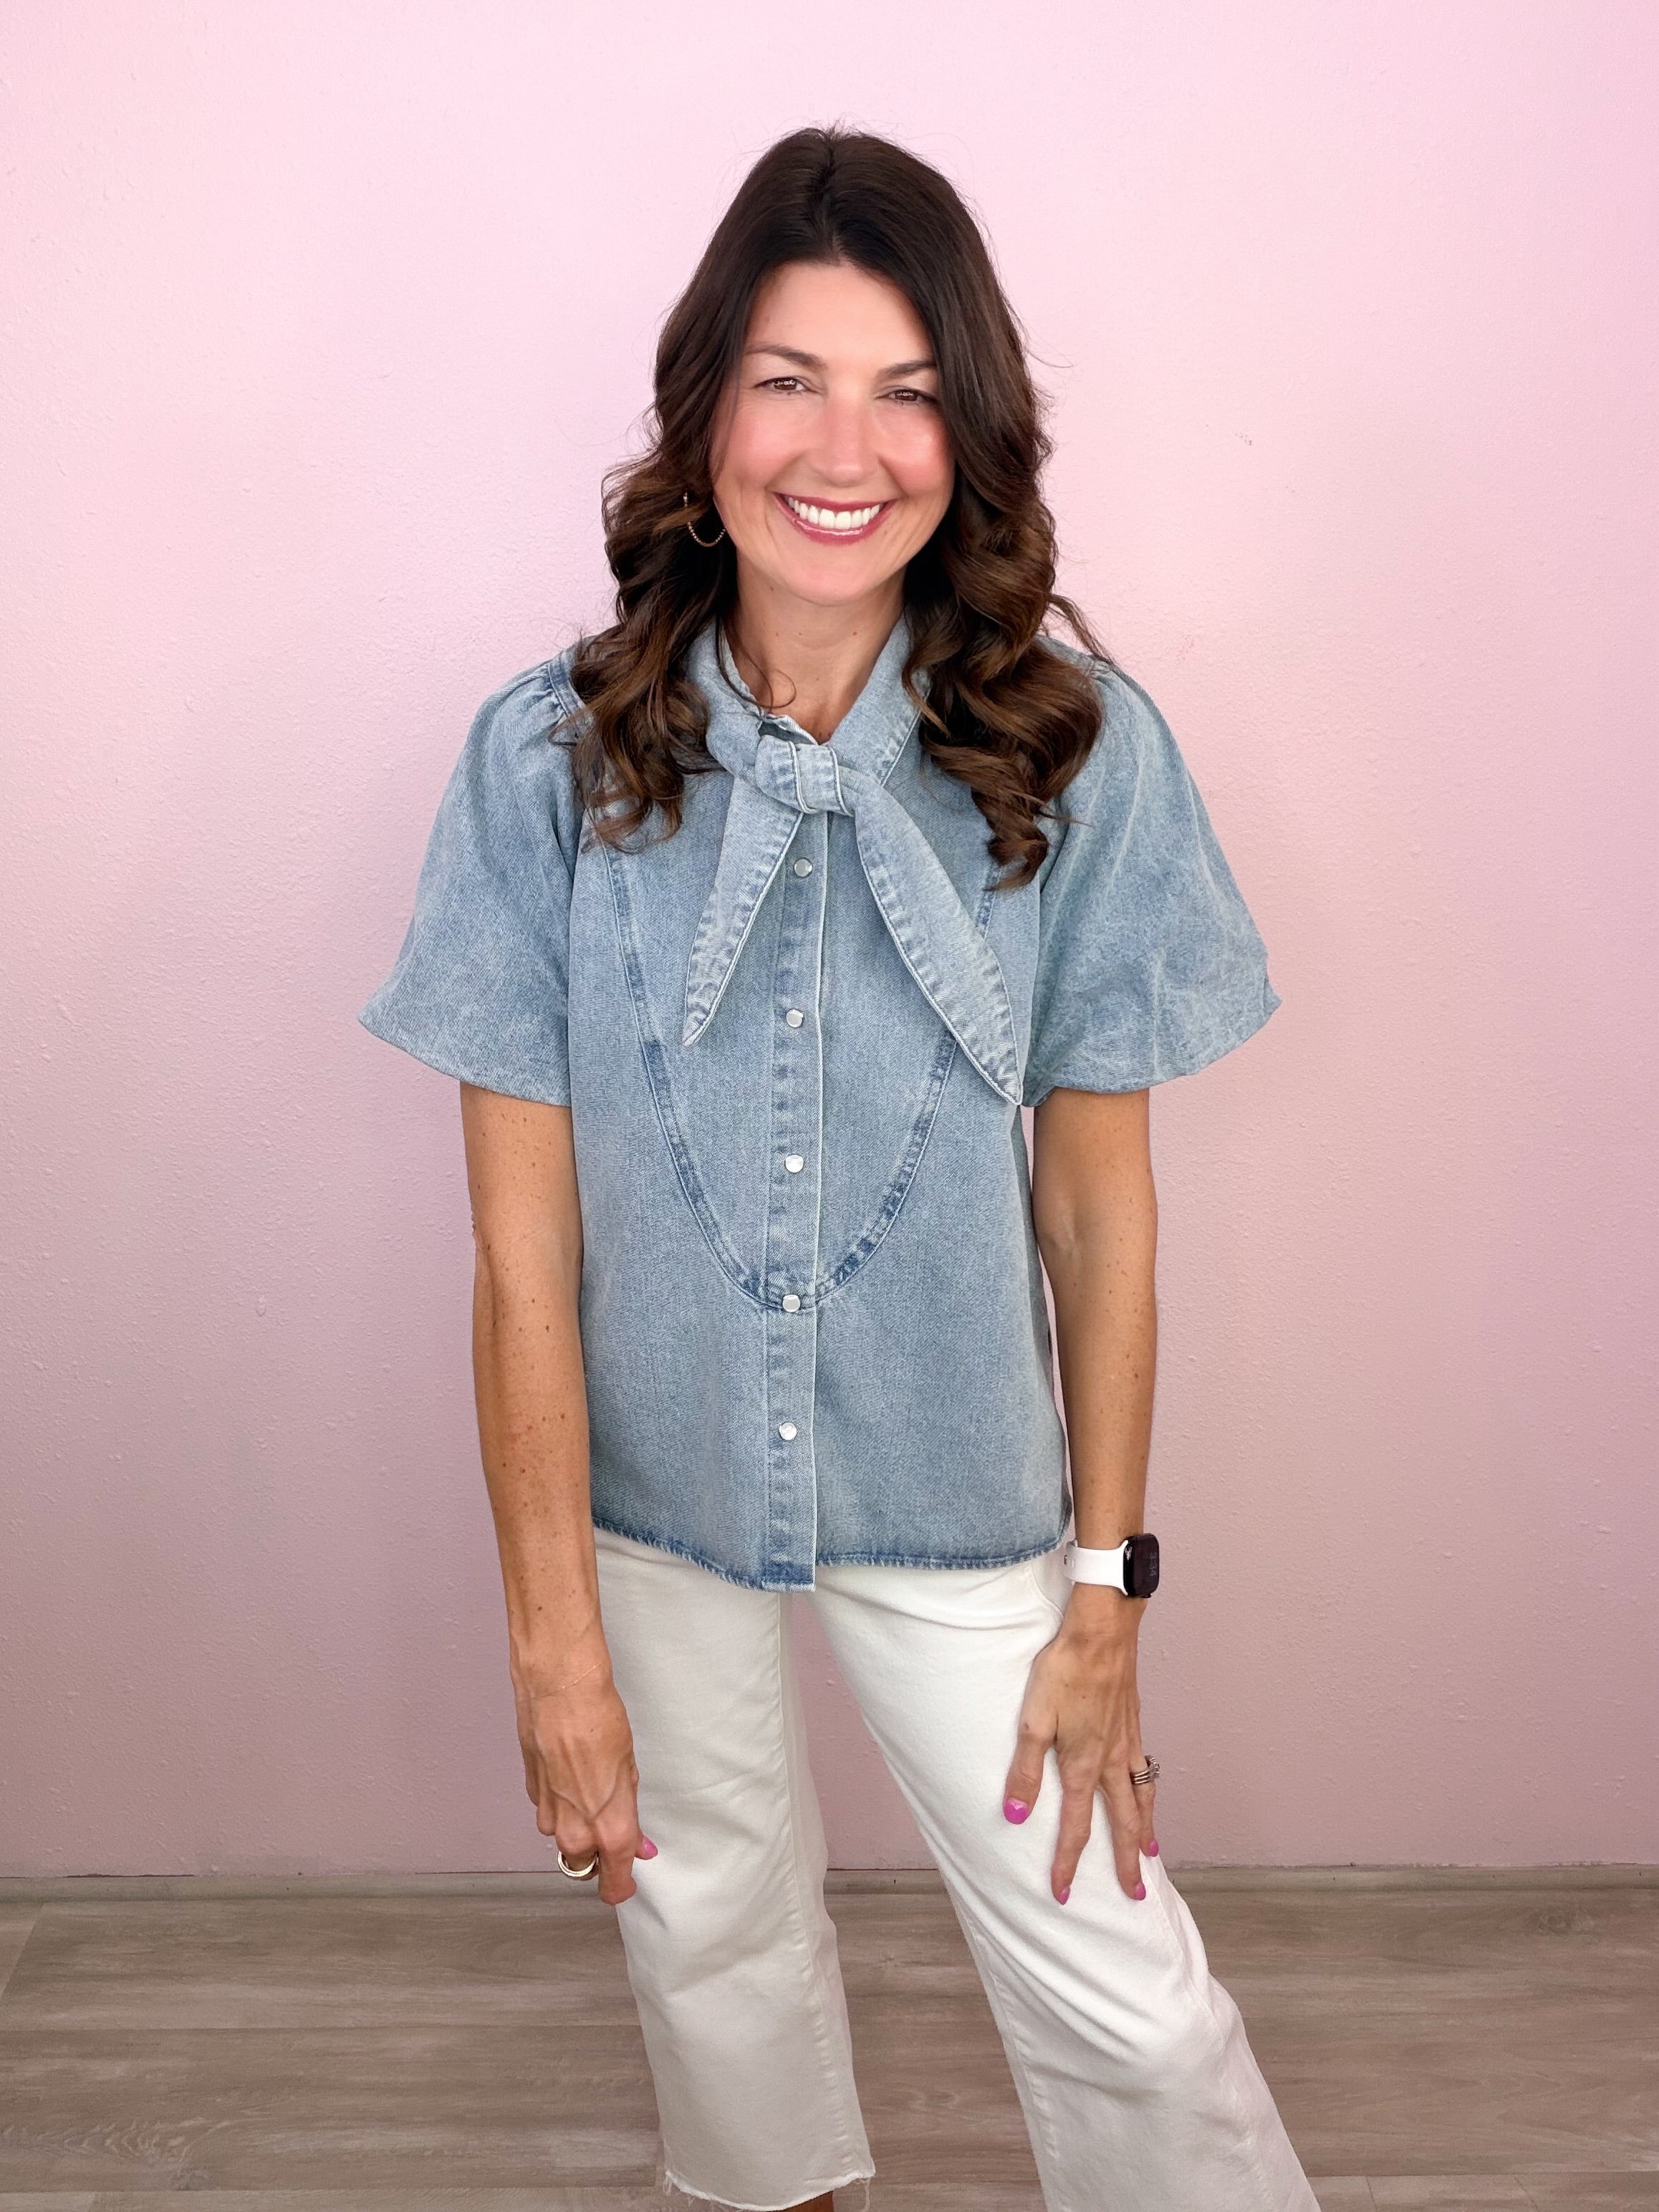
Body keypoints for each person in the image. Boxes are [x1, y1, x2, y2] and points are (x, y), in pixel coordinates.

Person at [361, 124, 1317, 2212]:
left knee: (1131, 2002)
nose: (844, 450)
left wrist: (1104, 1597)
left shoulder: (1079, 757)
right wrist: (553, 1642)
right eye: (790, 379)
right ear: (706, 404)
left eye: (907, 392)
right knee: (709, 1959)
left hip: (961, 1477)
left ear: (970, 436)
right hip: (649, 1493)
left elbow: (1098, 1213)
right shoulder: (541, 765)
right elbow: (522, 1260)